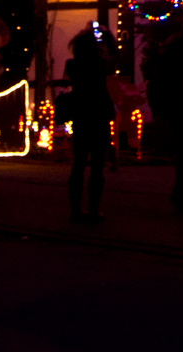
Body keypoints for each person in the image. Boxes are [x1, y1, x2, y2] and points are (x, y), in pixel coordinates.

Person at [146, 16, 183, 213]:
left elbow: (159, 77)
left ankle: (181, 189)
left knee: (182, 149)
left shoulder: (170, 49)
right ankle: (182, 190)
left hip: (174, 105)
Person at [62, 21, 116, 223]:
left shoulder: (73, 66)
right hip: (99, 116)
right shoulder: (100, 65)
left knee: (78, 164)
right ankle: (94, 209)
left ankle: (75, 208)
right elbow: (113, 53)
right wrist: (104, 33)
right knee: (97, 166)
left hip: (80, 116)